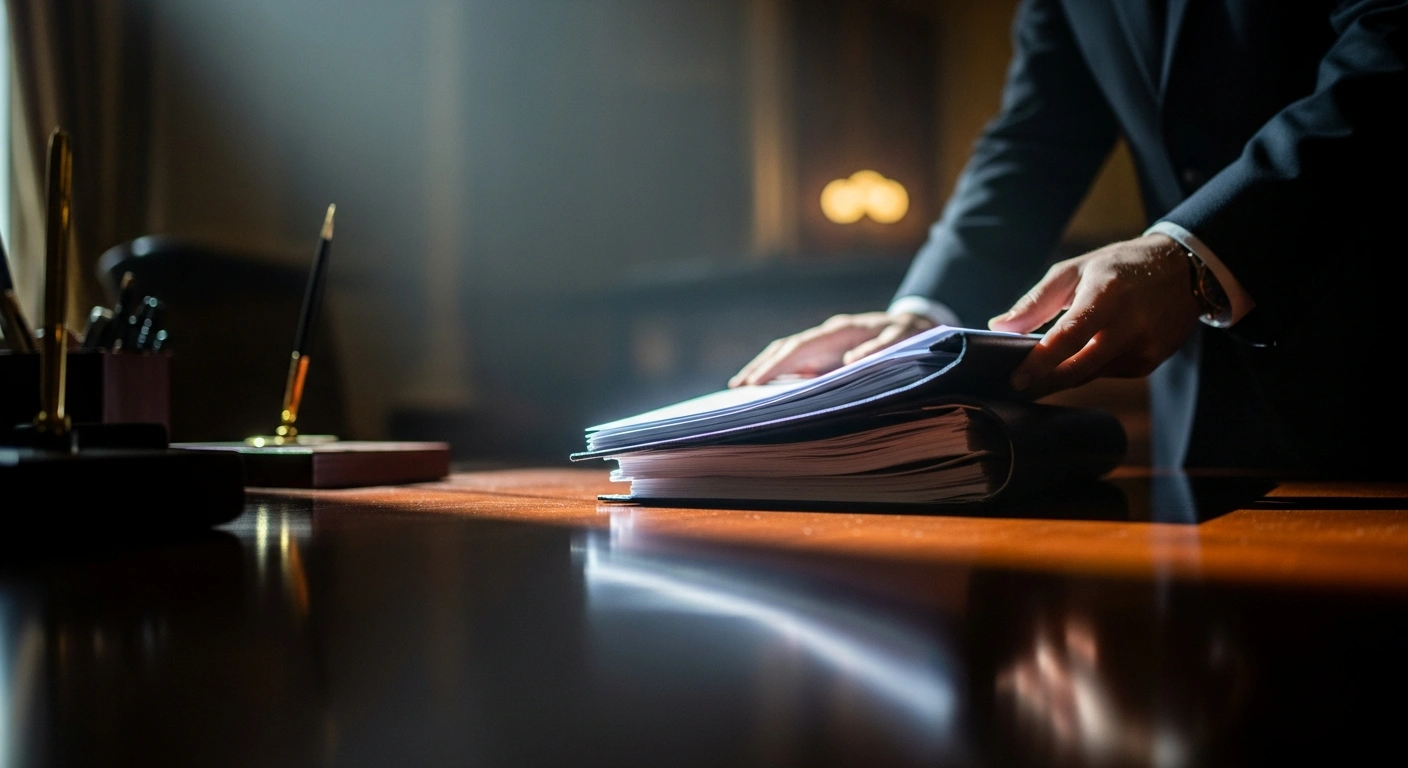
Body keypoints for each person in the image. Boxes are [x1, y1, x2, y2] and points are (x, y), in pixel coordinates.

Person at [733, 0, 1407, 474]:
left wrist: (1192, 252)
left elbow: (1391, 52)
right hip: (1202, 408)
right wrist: (922, 312)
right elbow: (1035, 139)